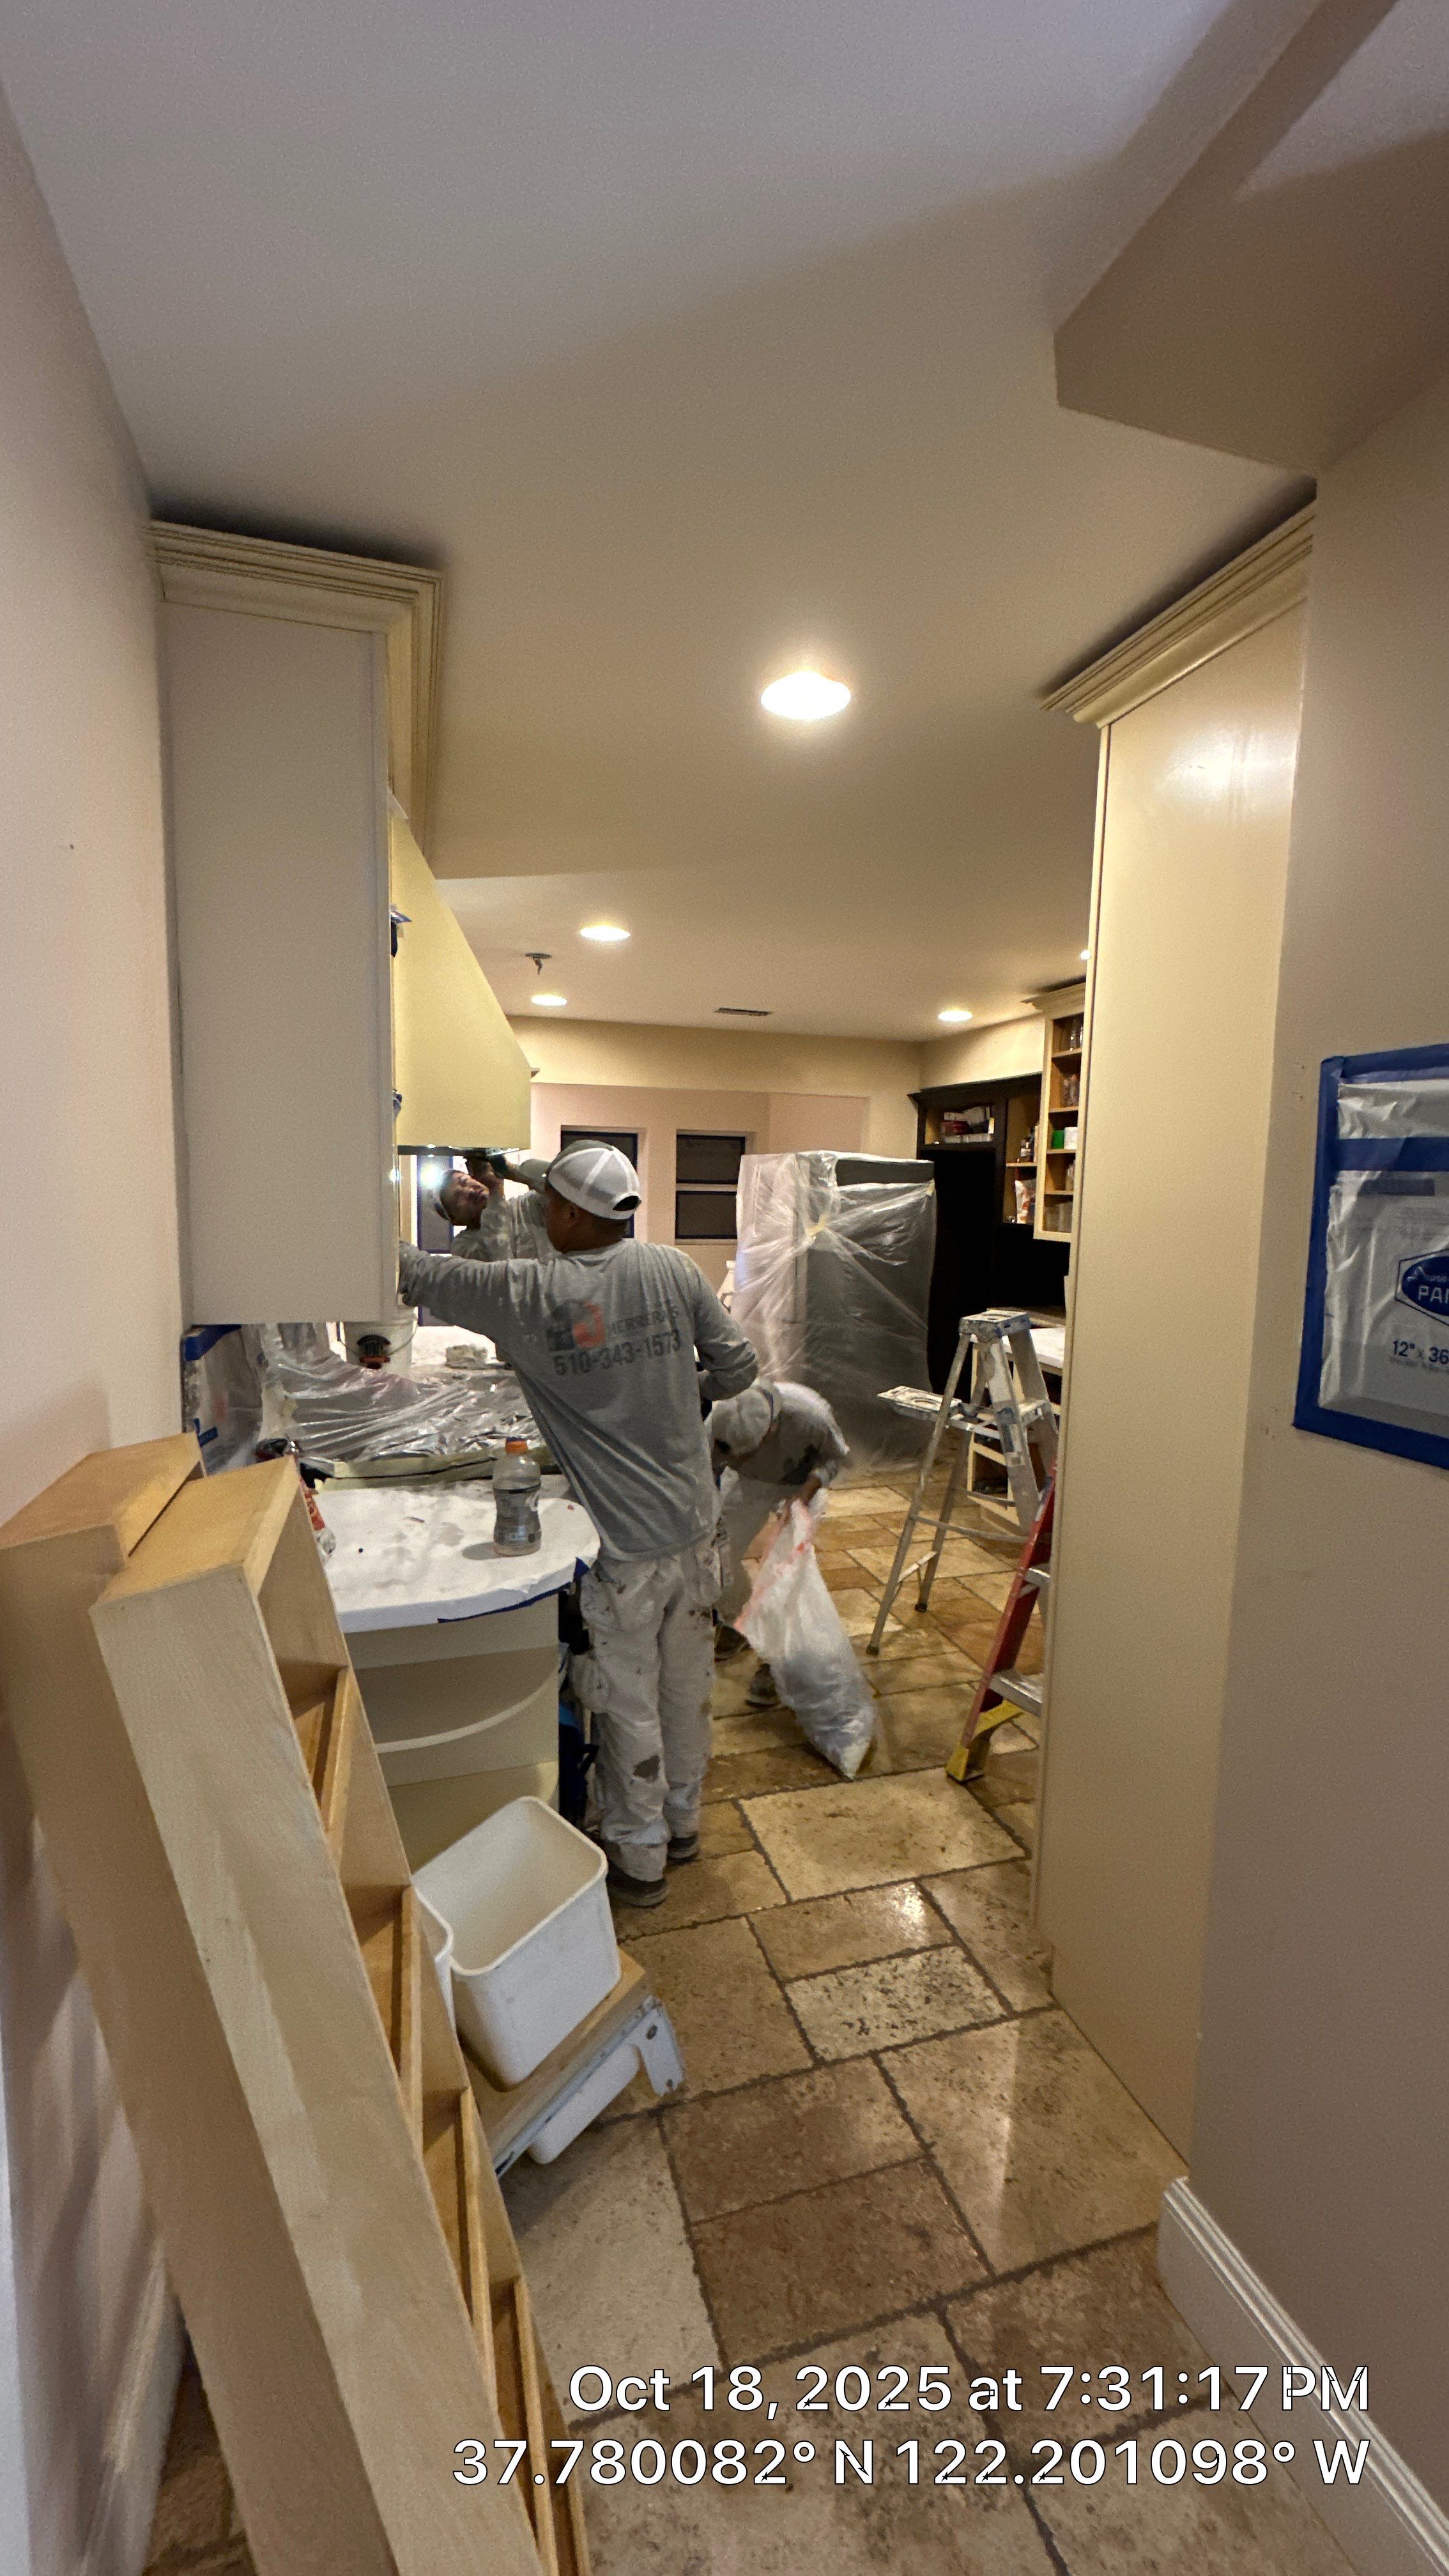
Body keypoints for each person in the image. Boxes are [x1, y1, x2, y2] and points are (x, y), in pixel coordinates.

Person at [397, 1140, 758, 1906]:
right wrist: (673, 1389)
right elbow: (738, 1371)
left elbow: (414, 1272)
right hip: (695, 1526)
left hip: (624, 1544)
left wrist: (451, 1210)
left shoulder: (530, 1295)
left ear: (563, 1211)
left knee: (628, 1701)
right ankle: (684, 1825)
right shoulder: (672, 1269)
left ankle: (641, 1858)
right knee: (687, 1689)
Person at [710, 1379, 850, 1708]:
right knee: (716, 1554)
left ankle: (777, 1661)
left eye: (748, 1451)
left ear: (771, 1430)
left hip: (802, 1483)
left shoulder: (810, 1418)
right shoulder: (720, 1419)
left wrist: (804, 1495)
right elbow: (707, 1467)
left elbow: (834, 1459)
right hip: (750, 1484)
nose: (740, 1457)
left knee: (786, 1572)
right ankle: (738, 1619)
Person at [434, 1153, 553, 1261]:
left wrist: (510, 1170)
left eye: (465, 1181)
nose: (469, 1191)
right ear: (456, 1220)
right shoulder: (463, 1246)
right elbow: (501, 1268)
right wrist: (495, 1191)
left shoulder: (524, 1207)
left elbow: (561, 1183)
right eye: (457, 1197)